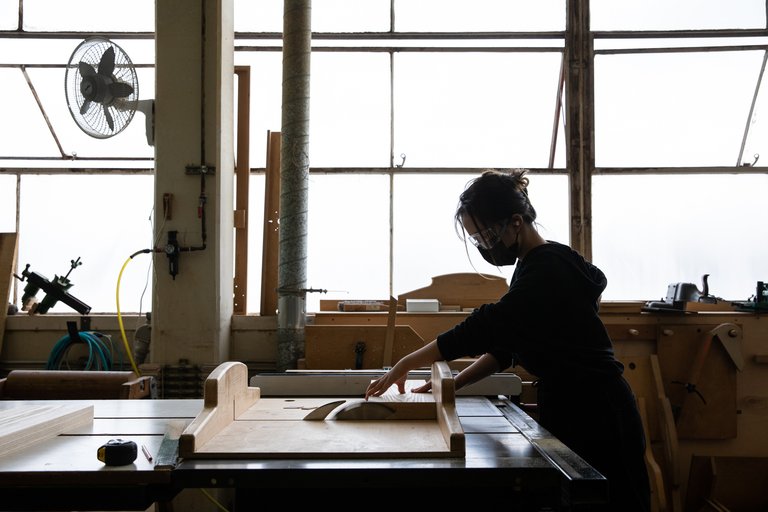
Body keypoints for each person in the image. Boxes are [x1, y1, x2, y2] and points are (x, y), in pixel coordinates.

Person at [365, 169, 650, 512]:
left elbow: (489, 325)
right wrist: (454, 382)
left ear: (516, 222)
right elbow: (509, 346)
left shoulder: (547, 270)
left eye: (485, 235)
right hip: (577, 403)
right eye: (477, 240)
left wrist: (406, 362)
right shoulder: (540, 264)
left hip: (596, 412)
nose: (485, 246)